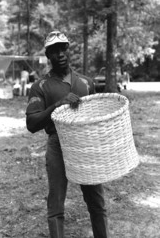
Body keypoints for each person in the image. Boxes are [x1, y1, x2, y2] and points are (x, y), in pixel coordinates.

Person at [26, 30, 109, 238]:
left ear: (67, 50)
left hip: (84, 144)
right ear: (48, 55)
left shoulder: (86, 83)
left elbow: (96, 115)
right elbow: (31, 122)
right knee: (56, 205)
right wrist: (57, 106)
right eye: (54, 50)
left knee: (96, 201)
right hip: (57, 145)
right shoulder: (40, 86)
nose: (60, 54)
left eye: (62, 48)